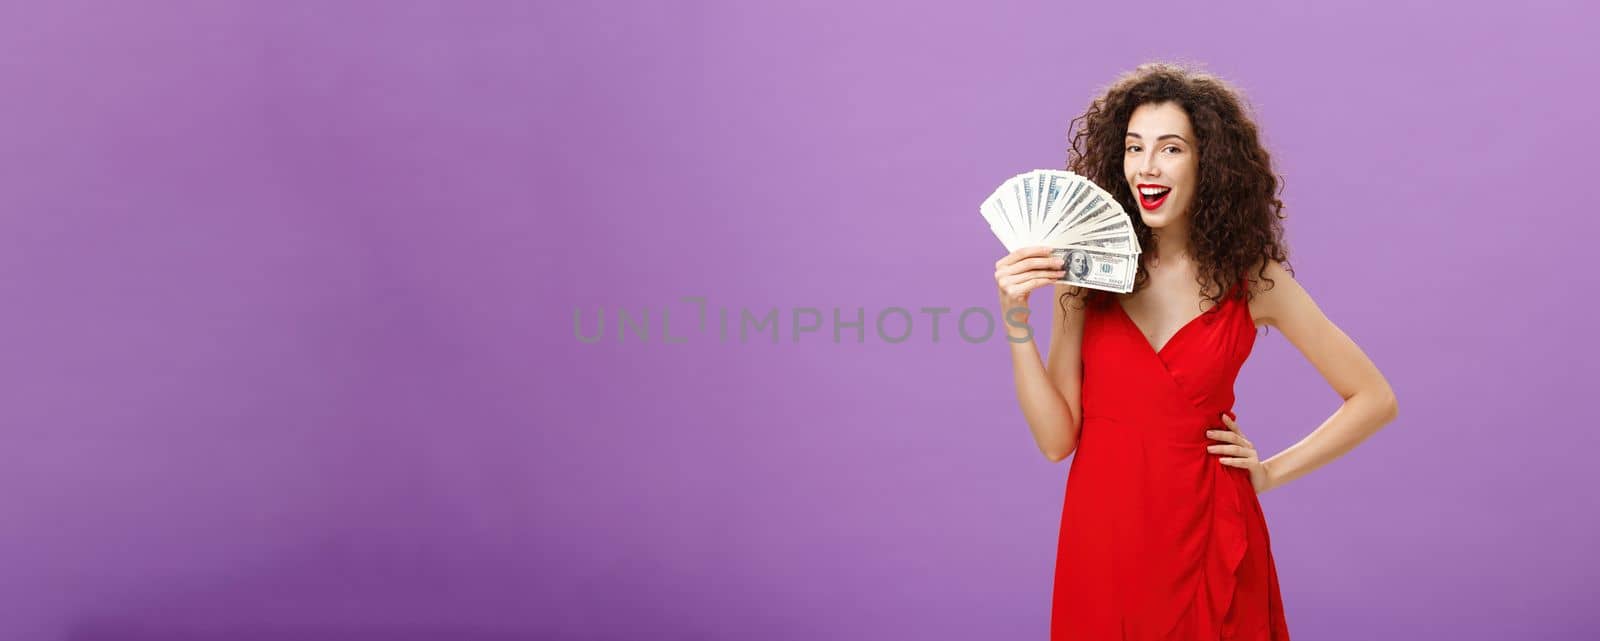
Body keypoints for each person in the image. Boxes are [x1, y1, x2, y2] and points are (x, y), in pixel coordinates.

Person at [991, 62, 1399, 640]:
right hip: (1104, 533)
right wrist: (1014, 321)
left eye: (1171, 148)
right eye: (1134, 148)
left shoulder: (1254, 280)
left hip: (1211, 529)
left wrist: (1267, 473)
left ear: (1209, 162)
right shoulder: (1083, 275)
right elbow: (1058, 440)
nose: (1147, 166)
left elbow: (1374, 398)